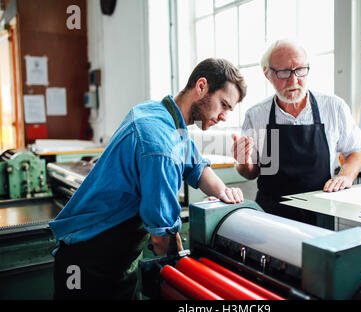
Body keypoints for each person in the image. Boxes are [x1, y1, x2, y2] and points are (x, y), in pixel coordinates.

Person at [49, 58, 247, 299]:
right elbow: (162, 236)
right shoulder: (159, 143)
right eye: (223, 105)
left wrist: (224, 192)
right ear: (202, 86)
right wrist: (186, 275)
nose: (224, 116)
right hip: (91, 259)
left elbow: (196, 166)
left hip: (117, 255)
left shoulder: (163, 115)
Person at [232, 39, 361, 224]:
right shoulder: (257, 115)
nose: (293, 80)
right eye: (284, 72)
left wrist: (345, 176)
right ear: (267, 73)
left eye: (300, 70)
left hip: (319, 213)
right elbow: (251, 172)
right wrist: (243, 161)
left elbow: (355, 150)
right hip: (270, 215)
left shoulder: (334, 107)